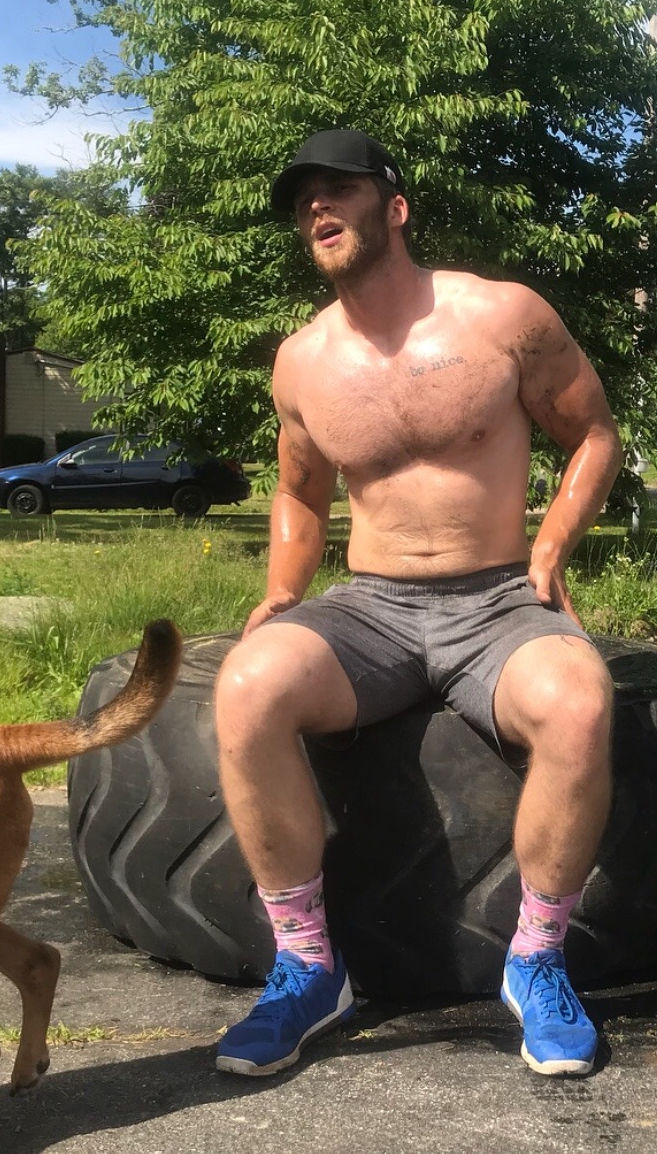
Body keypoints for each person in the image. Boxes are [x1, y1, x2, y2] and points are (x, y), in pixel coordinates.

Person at [212, 129, 623, 1079]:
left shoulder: (502, 315)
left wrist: (553, 545)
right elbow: (298, 492)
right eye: (304, 200)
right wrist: (281, 593)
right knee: (247, 686)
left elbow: (594, 435)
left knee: (579, 701)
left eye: (338, 189)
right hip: (373, 608)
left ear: (394, 208)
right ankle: (309, 968)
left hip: (499, 600)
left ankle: (536, 960)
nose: (317, 208)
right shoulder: (302, 360)